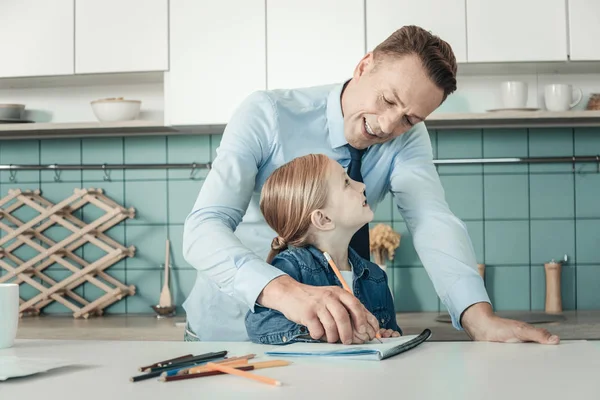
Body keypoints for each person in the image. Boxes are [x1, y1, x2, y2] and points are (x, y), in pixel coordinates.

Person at [182, 25, 559, 345]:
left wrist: (478, 317)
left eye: (409, 118)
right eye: (387, 100)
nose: (388, 126)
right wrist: (286, 291)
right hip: (226, 333)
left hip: (329, 343)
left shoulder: (407, 139)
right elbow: (203, 228)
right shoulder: (267, 113)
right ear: (364, 66)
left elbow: (432, 220)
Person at [245, 153, 401, 344]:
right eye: (346, 182)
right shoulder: (292, 267)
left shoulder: (376, 276)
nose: (361, 186)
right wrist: (321, 330)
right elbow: (259, 325)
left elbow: (390, 335)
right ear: (323, 219)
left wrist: (387, 335)